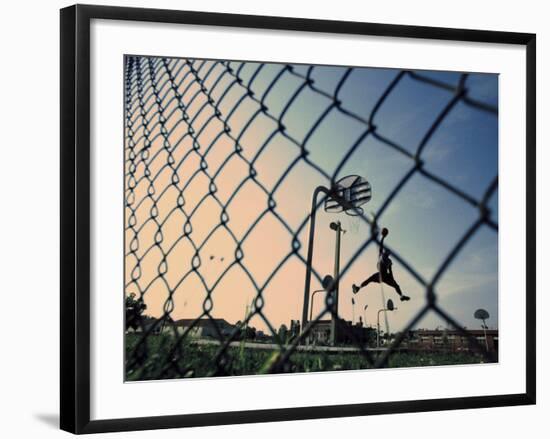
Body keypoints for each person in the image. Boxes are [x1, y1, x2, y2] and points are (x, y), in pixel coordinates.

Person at [352, 228, 410, 301]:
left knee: (371, 280)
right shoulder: (383, 256)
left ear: (388, 254)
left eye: (387, 252)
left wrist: (392, 278)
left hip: (383, 274)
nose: (386, 252)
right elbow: (381, 246)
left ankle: (401, 296)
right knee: (395, 285)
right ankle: (401, 296)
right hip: (385, 275)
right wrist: (382, 238)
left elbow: (390, 270)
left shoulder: (385, 258)